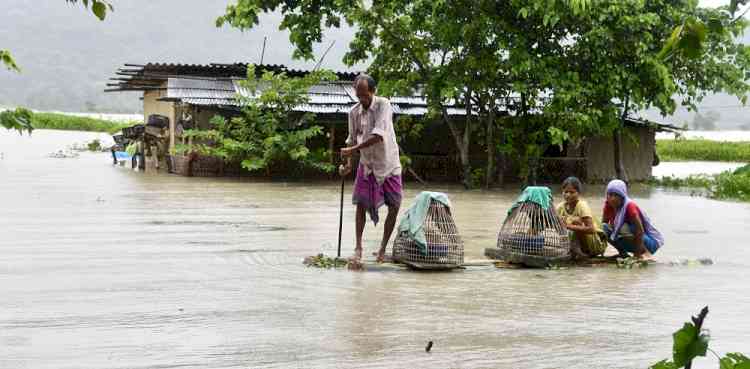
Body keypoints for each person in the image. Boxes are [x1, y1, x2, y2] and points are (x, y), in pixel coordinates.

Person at [339, 74, 402, 263]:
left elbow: (378, 135)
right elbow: (351, 138)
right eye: (358, 96)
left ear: (373, 92)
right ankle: (358, 248)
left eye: (365, 96)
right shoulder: (354, 113)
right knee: (360, 205)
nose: (362, 100)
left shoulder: (384, 105)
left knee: (395, 205)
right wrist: (347, 164)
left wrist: (352, 150)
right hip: (367, 165)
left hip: (388, 163)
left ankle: (382, 249)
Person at [602, 179, 664, 260]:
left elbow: (640, 231)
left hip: (647, 242)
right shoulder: (608, 205)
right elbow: (603, 225)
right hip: (630, 240)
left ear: (622, 196)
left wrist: (637, 255)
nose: (612, 198)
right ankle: (623, 253)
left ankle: (644, 253)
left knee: (623, 227)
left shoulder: (629, 206)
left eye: (616, 195)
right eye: (610, 195)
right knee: (604, 228)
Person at [556, 177, 607, 259]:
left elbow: (591, 229)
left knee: (575, 221)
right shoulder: (560, 207)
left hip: (595, 244)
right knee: (559, 222)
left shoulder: (582, 206)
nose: (568, 195)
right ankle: (571, 250)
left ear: (578, 193)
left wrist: (567, 226)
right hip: (575, 243)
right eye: (566, 192)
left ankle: (582, 253)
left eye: (572, 192)